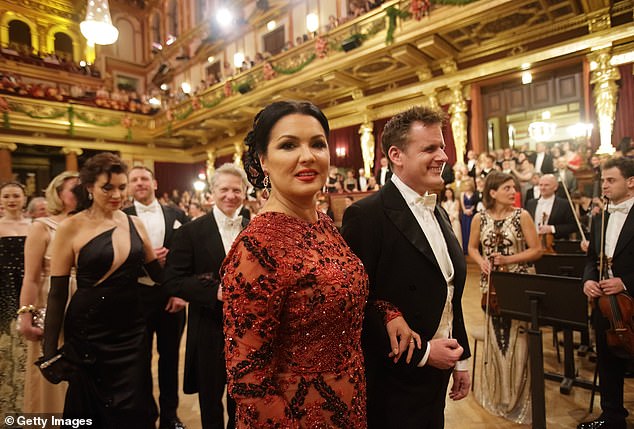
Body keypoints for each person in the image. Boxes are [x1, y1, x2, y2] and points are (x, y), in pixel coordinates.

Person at [221, 100, 368, 427]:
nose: (308, 156)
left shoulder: (325, 224)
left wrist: (388, 313)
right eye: (289, 145)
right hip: (294, 416)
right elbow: (248, 378)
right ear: (263, 161)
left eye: (318, 144)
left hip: (350, 404)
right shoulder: (256, 248)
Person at [342, 106, 470, 429]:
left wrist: (461, 359)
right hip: (394, 382)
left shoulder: (437, 211)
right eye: (429, 148)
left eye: (441, 146)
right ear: (396, 155)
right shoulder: (366, 216)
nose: (443, 156)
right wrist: (426, 353)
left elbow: (449, 292)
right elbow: (356, 306)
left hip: (437, 374)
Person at [38, 153, 160, 428]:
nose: (117, 194)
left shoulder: (134, 223)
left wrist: (194, 279)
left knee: (135, 405)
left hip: (132, 329)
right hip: (88, 331)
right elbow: (56, 295)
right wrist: (49, 351)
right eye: (108, 187)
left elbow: (159, 276)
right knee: (90, 406)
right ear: (89, 187)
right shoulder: (70, 227)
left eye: (121, 186)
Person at [164, 163, 251, 429]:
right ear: (212, 193)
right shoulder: (190, 231)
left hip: (248, 329)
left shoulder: (254, 229)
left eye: (237, 190)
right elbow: (172, 280)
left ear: (245, 193)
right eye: (224, 189)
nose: (230, 196)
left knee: (243, 398)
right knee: (210, 399)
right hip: (208, 326)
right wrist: (215, 292)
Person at [467, 171, 541, 424]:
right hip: (492, 285)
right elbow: (472, 248)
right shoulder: (480, 217)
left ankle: (518, 398)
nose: (513, 192)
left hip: (519, 283)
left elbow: (536, 250)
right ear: (492, 192)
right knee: (497, 338)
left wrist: (508, 259)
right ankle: (498, 393)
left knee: (518, 338)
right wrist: (481, 263)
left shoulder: (523, 216)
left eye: (514, 187)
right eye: (507, 188)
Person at [123, 166, 188, 429]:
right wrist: (146, 259)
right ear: (129, 186)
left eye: (144, 178)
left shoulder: (177, 214)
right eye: (134, 180)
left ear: (154, 182)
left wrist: (180, 292)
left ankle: (170, 416)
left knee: (170, 358)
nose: (140, 183)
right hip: (134, 297)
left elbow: (186, 256)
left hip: (170, 296)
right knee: (138, 361)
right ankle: (144, 415)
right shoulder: (120, 216)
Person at [578, 157, 634, 429]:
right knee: (607, 361)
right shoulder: (601, 218)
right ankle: (612, 417)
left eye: (611, 180)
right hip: (605, 305)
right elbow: (592, 259)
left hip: (631, 302)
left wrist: (626, 283)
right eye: (603, 180)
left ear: (631, 182)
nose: (604, 185)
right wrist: (589, 281)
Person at [18, 171, 79, 413]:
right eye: (75, 189)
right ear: (58, 194)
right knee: (55, 371)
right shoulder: (42, 227)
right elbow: (31, 278)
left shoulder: (92, 222)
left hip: (87, 304)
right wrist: (26, 315)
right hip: (53, 303)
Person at [0, 181, 30, 416]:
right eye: (6, 196)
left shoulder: (34, 226)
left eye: (16, 195)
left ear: (24, 198)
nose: (11, 200)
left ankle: (28, 405)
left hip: (28, 289)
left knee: (27, 347)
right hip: (3, 290)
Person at [525, 174, 577, 240]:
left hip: (555, 244)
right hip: (533, 243)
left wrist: (552, 229)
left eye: (546, 185)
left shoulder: (565, 204)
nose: (542, 188)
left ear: (555, 187)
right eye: (540, 185)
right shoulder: (530, 203)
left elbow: (573, 226)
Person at [459, 178, 477, 254]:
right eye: (466, 184)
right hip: (465, 214)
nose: (467, 186)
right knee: (465, 230)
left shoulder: (474, 193)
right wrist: (465, 211)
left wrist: (471, 210)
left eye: (469, 184)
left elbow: (475, 204)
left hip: (472, 213)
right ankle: (465, 249)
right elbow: (462, 204)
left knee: (471, 230)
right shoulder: (462, 194)